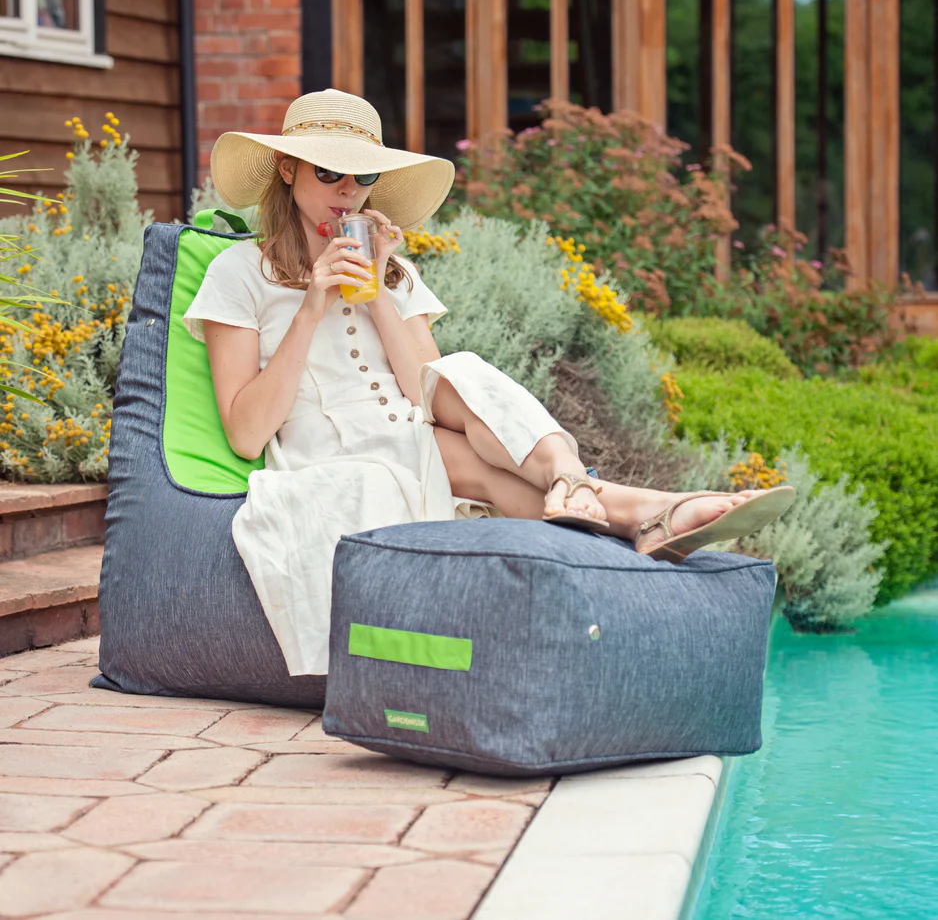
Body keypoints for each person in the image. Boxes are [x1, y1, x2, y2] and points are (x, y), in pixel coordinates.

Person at [185, 89, 794, 676]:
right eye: (329, 175)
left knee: (464, 375)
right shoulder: (239, 272)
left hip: (416, 432)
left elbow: (425, 385)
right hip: (329, 454)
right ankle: (652, 510)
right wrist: (313, 302)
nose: (347, 194)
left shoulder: (392, 273)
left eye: (363, 179)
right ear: (288, 170)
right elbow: (246, 432)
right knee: (464, 464)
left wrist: (376, 293)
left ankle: (573, 481)